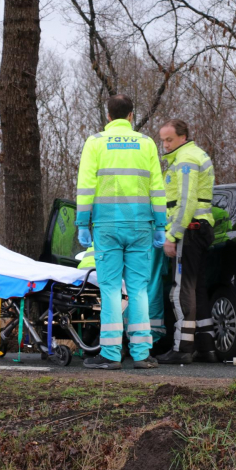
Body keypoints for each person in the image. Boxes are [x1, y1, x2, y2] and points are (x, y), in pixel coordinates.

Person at [75, 94, 167, 370]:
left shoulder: (96, 143)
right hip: (141, 226)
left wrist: (82, 222)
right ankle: (142, 353)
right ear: (130, 116)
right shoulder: (146, 143)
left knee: (112, 289)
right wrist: (160, 224)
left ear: (108, 116)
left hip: (106, 227)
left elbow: (86, 184)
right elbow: (157, 187)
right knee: (139, 289)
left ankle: (111, 353)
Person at [156, 120, 216, 364]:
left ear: (183, 137)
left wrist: (173, 235)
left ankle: (182, 348)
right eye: (162, 140)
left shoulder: (185, 160)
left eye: (169, 140)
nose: (165, 145)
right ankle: (206, 346)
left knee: (181, 291)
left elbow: (186, 201)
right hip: (200, 228)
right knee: (197, 288)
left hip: (189, 231)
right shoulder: (195, 154)